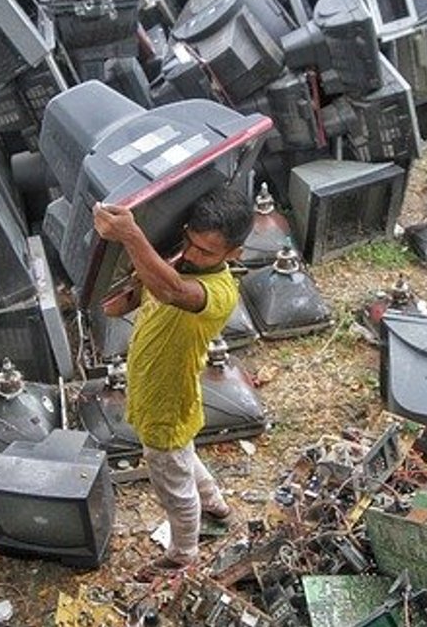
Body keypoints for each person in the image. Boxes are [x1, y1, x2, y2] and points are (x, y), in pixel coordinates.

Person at [92, 185, 254, 576]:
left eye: (207, 251)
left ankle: (183, 553)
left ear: (235, 254)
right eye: (190, 242)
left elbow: (171, 290)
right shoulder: (181, 261)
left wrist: (132, 235)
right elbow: (135, 295)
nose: (193, 254)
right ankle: (216, 504)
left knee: (172, 483)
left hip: (165, 402)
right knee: (184, 458)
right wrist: (125, 291)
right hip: (159, 392)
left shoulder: (217, 290)